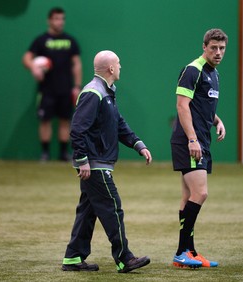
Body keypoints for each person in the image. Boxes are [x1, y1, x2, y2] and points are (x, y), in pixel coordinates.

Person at [61, 50, 152, 273]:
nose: (121, 67)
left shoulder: (106, 92)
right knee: (113, 208)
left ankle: (73, 258)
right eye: (118, 64)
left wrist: (138, 144)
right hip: (95, 164)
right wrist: (82, 160)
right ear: (111, 69)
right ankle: (125, 258)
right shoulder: (94, 92)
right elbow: (77, 129)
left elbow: (118, 123)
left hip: (97, 162)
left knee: (87, 211)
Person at [170, 28, 228, 268]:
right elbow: (183, 106)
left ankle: (188, 253)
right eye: (213, 47)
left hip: (201, 138)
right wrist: (192, 139)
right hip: (189, 140)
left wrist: (217, 120)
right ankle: (182, 252)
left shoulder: (214, 74)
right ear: (204, 46)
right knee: (201, 193)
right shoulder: (193, 70)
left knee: (188, 197)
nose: (218, 52)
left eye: (222, 48)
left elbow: (201, 105)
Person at [22, 7, 82, 161]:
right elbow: (26, 58)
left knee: (65, 121)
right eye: (56, 18)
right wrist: (34, 67)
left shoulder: (70, 41)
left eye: (62, 18)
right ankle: (45, 153)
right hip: (46, 89)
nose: (60, 22)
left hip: (66, 88)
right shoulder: (41, 40)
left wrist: (77, 86)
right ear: (49, 20)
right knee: (45, 121)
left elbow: (76, 64)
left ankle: (63, 154)